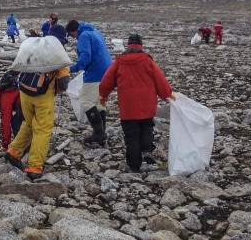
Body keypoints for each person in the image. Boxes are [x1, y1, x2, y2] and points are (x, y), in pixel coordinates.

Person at [99, 33, 175, 173]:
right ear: (140, 45)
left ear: (128, 45)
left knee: (131, 135)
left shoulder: (119, 61)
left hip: (128, 106)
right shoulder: (148, 61)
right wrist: (167, 95)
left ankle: (134, 167)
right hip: (147, 104)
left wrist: (103, 95)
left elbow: (106, 82)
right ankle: (147, 150)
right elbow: (161, 81)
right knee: (147, 127)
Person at [4, 64, 70, 179]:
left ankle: (14, 152)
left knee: (28, 123)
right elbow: (63, 80)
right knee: (43, 129)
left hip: (25, 91)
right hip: (43, 93)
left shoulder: (29, 46)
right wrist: (60, 88)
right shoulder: (54, 50)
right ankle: (34, 167)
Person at [66, 19, 112, 145]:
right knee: (99, 101)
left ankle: (99, 133)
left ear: (74, 31)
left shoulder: (84, 36)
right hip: (107, 71)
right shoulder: (94, 31)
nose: (73, 38)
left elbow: (85, 57)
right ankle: (102, 132)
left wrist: (71, 69)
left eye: (71, 35)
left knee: (85, 100)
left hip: (95, 72)